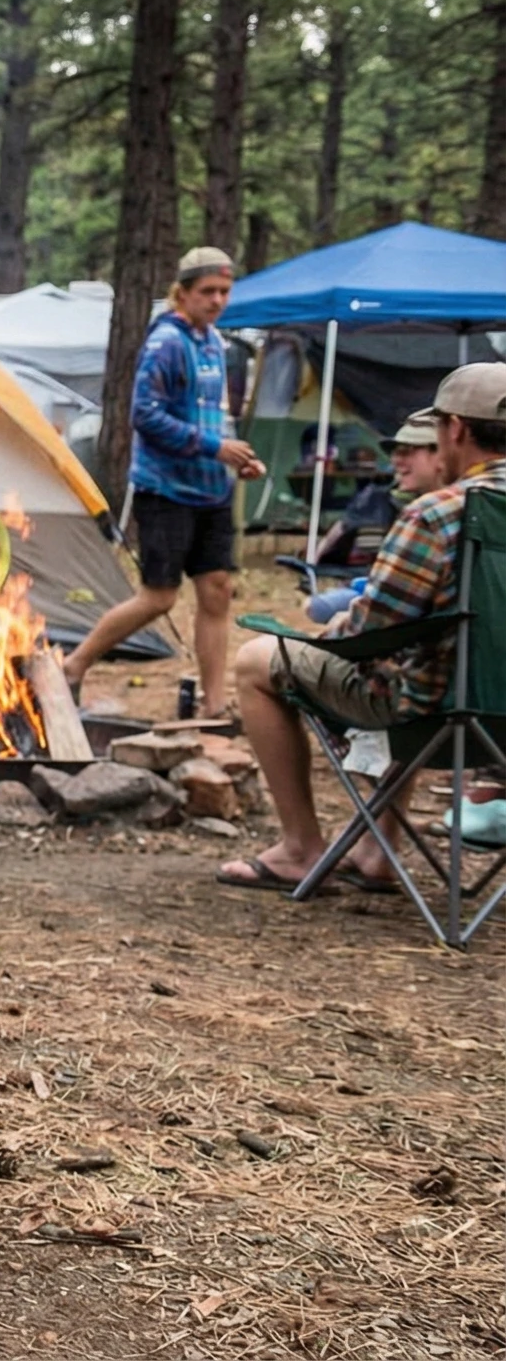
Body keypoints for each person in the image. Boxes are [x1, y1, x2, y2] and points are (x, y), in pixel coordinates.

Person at [216, 364, 506, 893]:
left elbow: (371, 634)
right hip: (498, 731)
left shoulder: (439, 514)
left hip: (434, 713)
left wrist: (346, 620)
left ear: (456, 429)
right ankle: (377, 852)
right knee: (420, 664)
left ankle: (300, 849)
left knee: (258, 661)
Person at [61, 247, 267, 713]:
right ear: (183, 292)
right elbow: (145, 415)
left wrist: (240, 459)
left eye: (224, 291)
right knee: (158, 597)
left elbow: (220, 418)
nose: (216, 300)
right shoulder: (166, 342)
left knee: (216, 590)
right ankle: (74, 665)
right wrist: (215, 448)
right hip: (166, 489)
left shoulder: (214, 343)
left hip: (213, 488)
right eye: (207, 291)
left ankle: (215, 705)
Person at [305, 409, 446, 624]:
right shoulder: (398, 499)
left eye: (409, 451)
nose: (396, 460)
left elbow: (393, 608)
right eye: (396, 451)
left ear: (441, 454)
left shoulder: (431, 515)